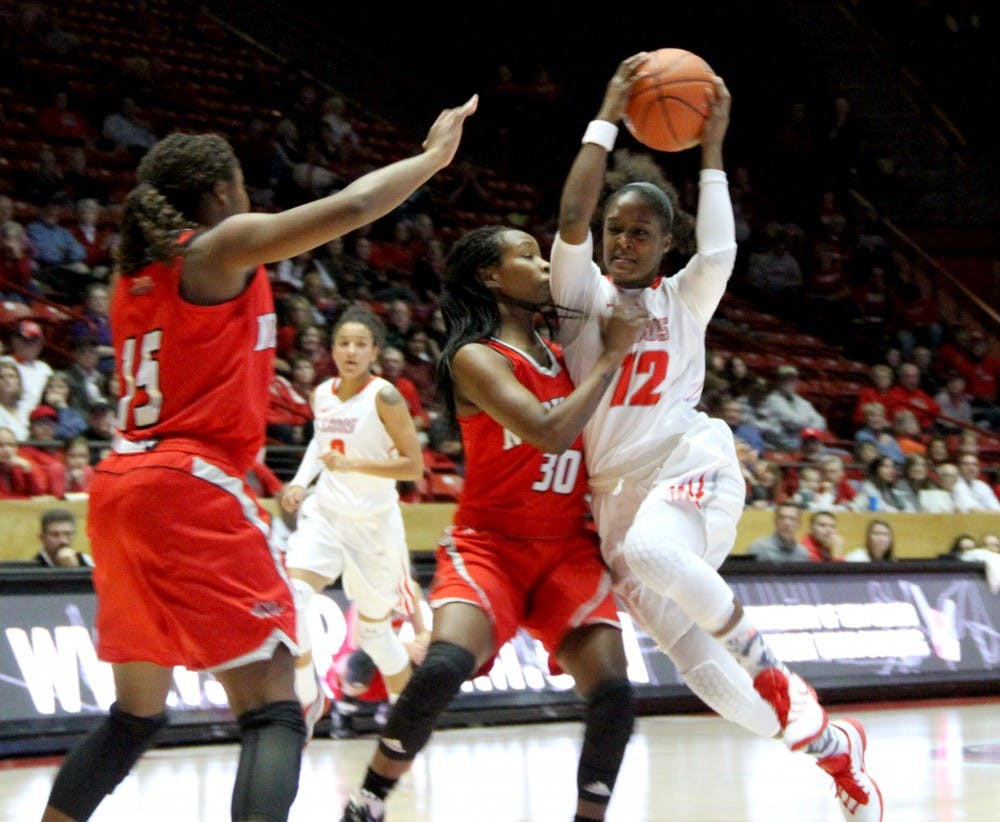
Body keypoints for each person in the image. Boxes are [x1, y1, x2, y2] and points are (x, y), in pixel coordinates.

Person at [41, 94, 478, 822]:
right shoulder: (213, 250)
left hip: (117, 485)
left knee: (135, 716)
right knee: (278, 705)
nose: (248, 199)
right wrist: (433, 158)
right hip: (187, 484)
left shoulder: (131, 278)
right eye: (241, 186)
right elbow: (353, 205)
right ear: (221, 194)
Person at [548, 54, 881, 821]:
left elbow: (723, 251)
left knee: (657, 556)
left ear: (666, 246)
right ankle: (836, 749)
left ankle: (771, 671)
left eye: (639, 234)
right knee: (704, 680)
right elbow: (570, 219)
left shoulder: (683, 297)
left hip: (689, 468)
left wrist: (711, 150)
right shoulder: (580, 298)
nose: (622, 243)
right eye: (615, 230)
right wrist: (606, 112)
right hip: (618, 505)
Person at [340, 225, 648, 822]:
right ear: (489, 276)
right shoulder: (474, 358)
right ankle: (370, 797)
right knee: (445, 666)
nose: (542, 267)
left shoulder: (564, 356)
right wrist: (612, 353)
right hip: (492, 546)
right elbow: (548, 429)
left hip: (566, 549)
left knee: (614, 693)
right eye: (527, 256)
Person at [279, 305, 426, 740]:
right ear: (332, 349)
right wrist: (301, 482)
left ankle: (405, 720)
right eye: (344, 343)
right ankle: (308, 691)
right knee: (293, 595)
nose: (351, 351)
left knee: (377, 635)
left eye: (361, 344)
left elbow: (412, 467)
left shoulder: (386, 396)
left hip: (374, 525)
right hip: (326, 515)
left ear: (375, 352)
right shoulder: (322, 392)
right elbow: (320, 443)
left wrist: (352, 463)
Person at [744, 503, 812, 562]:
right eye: (781, 518)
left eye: (792, 519)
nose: (786, 523)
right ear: (775, 521)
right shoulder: (759, 547)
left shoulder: (802, 552)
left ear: (799, 523)